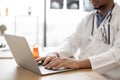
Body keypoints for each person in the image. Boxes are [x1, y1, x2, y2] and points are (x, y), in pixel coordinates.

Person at [36, 0, 120, 79]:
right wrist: (55, 54)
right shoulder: (88, 18)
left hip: (107, 77)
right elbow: (71, 41)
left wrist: (78, 63)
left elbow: (117, 54)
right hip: (84, 73)